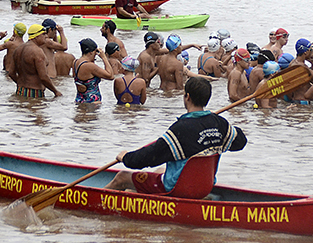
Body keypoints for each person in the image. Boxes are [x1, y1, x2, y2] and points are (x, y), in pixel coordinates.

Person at [104, 77, 247, 194]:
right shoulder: (219, 123)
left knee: (122, 177)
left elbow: (150, 157)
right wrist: (215, 123)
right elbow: (240, 141)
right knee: (161, 170)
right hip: (204, 187)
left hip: (179, 189)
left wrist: (126, 157)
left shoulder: (181, 129)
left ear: (187, 97)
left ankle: (96, 202)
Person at [8, 24, 62, 98]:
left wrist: (21, 84)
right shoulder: (37, 52)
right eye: (43, 34)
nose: (46, 36)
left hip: (20, 90)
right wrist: (55, 91)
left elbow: (11, 73)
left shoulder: (18, 49)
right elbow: (43, 77)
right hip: (34, 92)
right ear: (36, 36)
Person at [73, 38, 114, 103]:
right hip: (92, 103)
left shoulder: (75, 62)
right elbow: (111, 76)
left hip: (79, 100)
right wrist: (104, 58)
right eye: (95, 52)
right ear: (91, 52)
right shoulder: (90, 66)